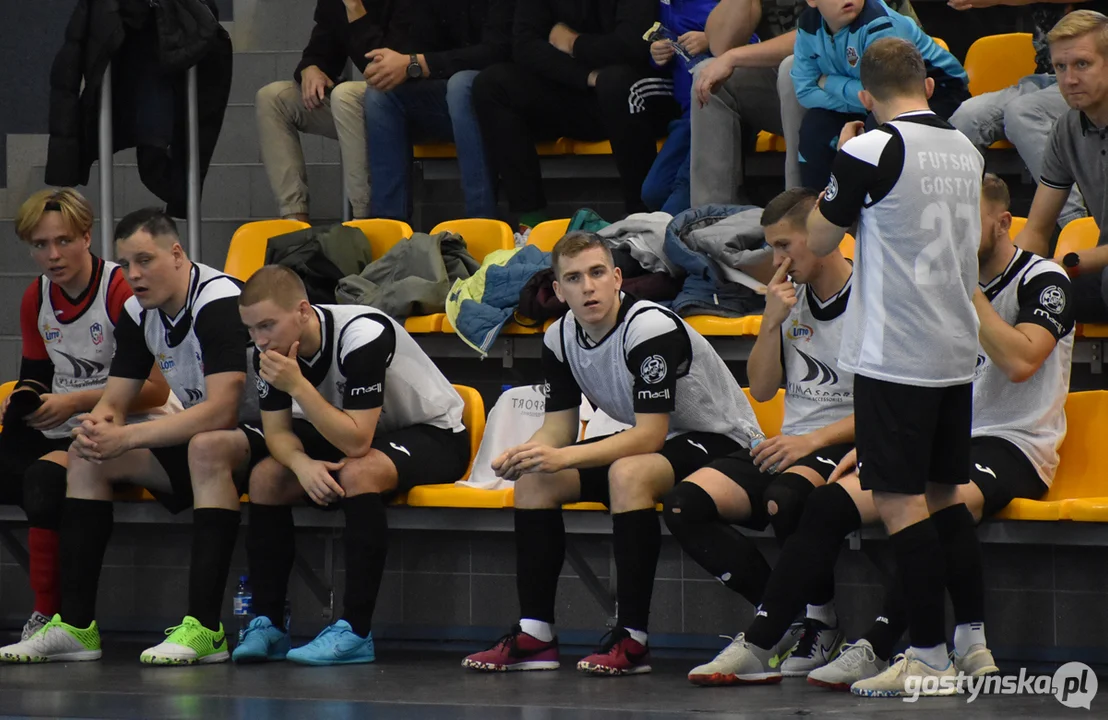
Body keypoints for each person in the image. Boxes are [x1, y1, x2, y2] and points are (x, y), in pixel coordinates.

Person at [798, 175, 1073, 692]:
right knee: (831, 501)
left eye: (966, 224)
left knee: (935, 500)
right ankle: (787, 633)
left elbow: (1019, 361)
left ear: (1001, 222)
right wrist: (883, 439)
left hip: (1017, 443)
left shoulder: (1045, 279)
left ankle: (890, 647)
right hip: (947, 432)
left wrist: (964, 291)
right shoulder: (937, 286)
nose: (954, 235)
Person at [461, 231, 764, 676]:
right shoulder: (559, 338)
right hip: (663, 442)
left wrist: (562, 457)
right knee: (534, 480)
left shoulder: (649, 327)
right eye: (574, 278)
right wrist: (527, 453)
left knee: (629, 473)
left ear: (618, 278)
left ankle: (633, 640)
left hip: (722, 440)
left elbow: (648, 436)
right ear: (559, 292)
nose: (588, 286)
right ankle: (535, 636)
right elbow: (559, 428)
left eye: (598, 273)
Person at [805, 37, 982, 697]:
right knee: (944, 496)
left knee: (900, 502)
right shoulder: (966, 146)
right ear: (929, 86)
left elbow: (821, 238)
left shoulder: (869, 147)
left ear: (865, 95)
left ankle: (928, 655)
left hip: (896, 352)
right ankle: (973, 643)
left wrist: (839, 159)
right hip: (953, 351)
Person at [0, 209, 254, 666]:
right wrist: (99, 429)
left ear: (177, 254)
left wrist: (130, 440)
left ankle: (206, 629)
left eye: (145, 260)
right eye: (127, 263)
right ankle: (76, 627)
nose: (134, 274)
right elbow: (115, 401)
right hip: (204, 436)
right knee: (87, 454)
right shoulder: (140, 311)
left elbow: (223, 410)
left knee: (206, 444)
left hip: (272, 431)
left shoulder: (218, 301)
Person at [229, 266, 470, 666]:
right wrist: (302, 465)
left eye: (268, 325)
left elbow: (357, 442)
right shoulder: (269, 353)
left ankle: (355, 631)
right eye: (251, 329)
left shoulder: (363, 334)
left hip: (435, 433)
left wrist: (298, 385)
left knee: (360, 471)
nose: (260, 340)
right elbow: (277, 433)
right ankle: (269, 623)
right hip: (358, 431)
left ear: (303, 311)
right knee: (267, 477)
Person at [669, 188, 855, 684]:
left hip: (846, 441)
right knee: (685, 503)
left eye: (785, 246)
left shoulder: (870, 296)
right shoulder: (788, 299)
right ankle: (784, 612)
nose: (776, 261)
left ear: (822, 236)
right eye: (772, 247)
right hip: (792, 440)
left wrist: (812, 443)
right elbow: (766, 386)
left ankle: (821, 623)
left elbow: (890, 404)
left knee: (785, 496)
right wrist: (770, 323)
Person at [0, 190, 173, 644]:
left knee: (42, 480)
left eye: (63, 241)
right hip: (62, 422)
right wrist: (23, 398)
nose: (52, 255)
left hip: (126, 424)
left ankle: (48, 616)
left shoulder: (121, 289)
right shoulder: (35, 296)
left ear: (86, 237)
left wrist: (73, 403)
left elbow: (157, 388)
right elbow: (35, 373)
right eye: (39, 245)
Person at [472, 0, 678, 228]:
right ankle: (531, 223)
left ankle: (639, 220)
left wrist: (574, 43)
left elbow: (631, 45)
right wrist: (586, 77)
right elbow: (525, 46)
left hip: (640, 93)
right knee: (492, 84)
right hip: (582, 88)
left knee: (616, 83)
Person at [689, 0, 919, 199]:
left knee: (791, 68)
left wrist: (734, 56)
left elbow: (823, 33)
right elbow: (719, 44)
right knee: (708, 75)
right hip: (806, 86)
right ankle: (713, 222)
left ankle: (797, 205)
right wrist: (729, 55)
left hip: (873, 79)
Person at [949, 1, 1105, 232]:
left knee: (1022, 112)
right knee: (967, 116)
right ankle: (964, 227)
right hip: (1046, 78)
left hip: (1091, 80)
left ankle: (1073, 226)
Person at [791, 0, 968, 189]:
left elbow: (888, 95)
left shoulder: (879, 24)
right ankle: (815, 208)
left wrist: (829, 82)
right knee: (815, 127)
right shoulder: (808, 25)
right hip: (871, 99)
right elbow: (805, 91)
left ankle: (873, 208)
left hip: (937, 93)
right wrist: (862, 101)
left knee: (878, 130)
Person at [362, 0, 513, 222]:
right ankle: (391, 225)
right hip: (452, 99)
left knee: (461, 85)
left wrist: (417, 63)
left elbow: (497, 51)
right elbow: (413, 49)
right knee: (381, 94)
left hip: (508, 97)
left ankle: (481, 220)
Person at [1014, 10, 1108, 323]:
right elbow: (1037, 229)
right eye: (1060, 67)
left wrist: (1061, 264)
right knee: (1013, 298)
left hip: (1095, 264)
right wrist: (1011, 277)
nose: (1069, 79)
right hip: (1099, 268)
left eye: (1082, 64)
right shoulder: (1066, 129)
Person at [256, 0, 383, 221]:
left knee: (346, 95)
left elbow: (384, 66)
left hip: (404, 100)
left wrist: (357, 12)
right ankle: (295, 221)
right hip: (363, 106)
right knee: (273, 98)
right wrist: (311, 68)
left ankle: (364, 221)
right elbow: (321, 48)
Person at [640, 0, 715, 215]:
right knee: (653, 192)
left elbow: (751, 41)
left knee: (682, 194)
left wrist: (711, 40)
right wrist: (656, 55)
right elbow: (664, 55)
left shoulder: (715, 5)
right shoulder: (664, 6)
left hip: (718, 113)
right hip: (686, 117)